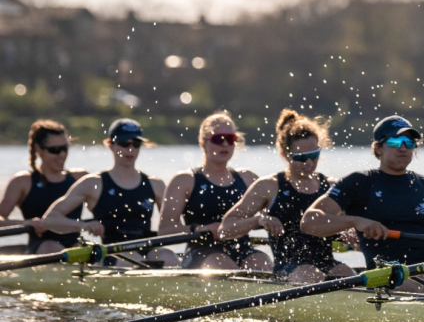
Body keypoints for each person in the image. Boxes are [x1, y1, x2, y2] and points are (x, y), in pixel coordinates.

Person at [301, 116, 424, 292]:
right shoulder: (359, 182)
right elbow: (309, 221)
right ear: (378, 148)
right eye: (395, 141)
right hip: (385, 269)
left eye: (409, 142)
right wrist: (355, 221)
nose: (403, 148)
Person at [220, 109, 352, 283]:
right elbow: (225, 229)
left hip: (327, 262)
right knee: (311, 275)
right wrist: (258, 221)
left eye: (314, 155)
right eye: (301, 157)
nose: (309, 163)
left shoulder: (331, 186)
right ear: (285, 154)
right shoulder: (269, 186)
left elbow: (350, 225)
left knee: (349, 276)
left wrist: (350, 233)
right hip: (288, 268)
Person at [42, 119, 179, 267]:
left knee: (169, 258)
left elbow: (172, 227)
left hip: (147, 246)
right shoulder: (93, 183)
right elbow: (49, 220)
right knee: (133, 261)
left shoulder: (156, 185)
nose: (130, 149)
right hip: (111, 250)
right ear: (111, 145)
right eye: (124, 143)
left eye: (136, 144)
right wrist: (83, 226)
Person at [160, 112, 271, 271]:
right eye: (219, 139)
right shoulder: (185, 180)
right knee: (223, 266)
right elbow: (165, 230)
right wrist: (200, 229)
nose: (225, 145)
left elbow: (273, 213)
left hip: (242, 248)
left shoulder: (248, 178)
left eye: (231, 139)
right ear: (202, 143)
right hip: (202, 251)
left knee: (262, 264)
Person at [0, 120, 86, 253]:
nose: (62, 155)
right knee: (52, 248)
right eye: (55, 150)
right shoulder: (22, 181)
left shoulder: (80, 178)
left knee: (87, 251)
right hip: (42, 247)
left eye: (65, 148)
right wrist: (26, 223)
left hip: (75, 245)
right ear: (38, 149)